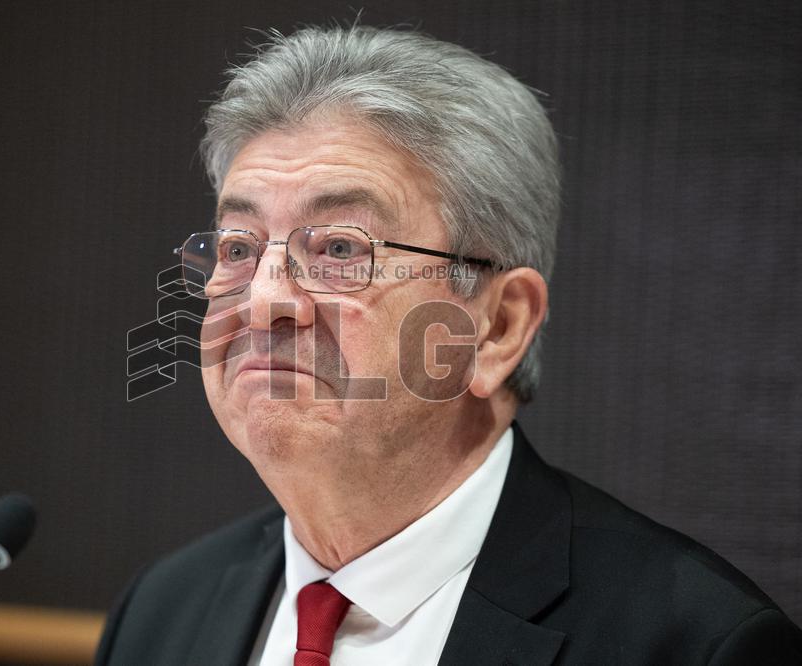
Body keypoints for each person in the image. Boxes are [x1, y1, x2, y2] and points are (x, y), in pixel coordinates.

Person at [97, 24, 802, 665]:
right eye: (238, 246)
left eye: (340, 247)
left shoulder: (696, 646)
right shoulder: (161, 613)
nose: (263, 299)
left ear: (497, 327)